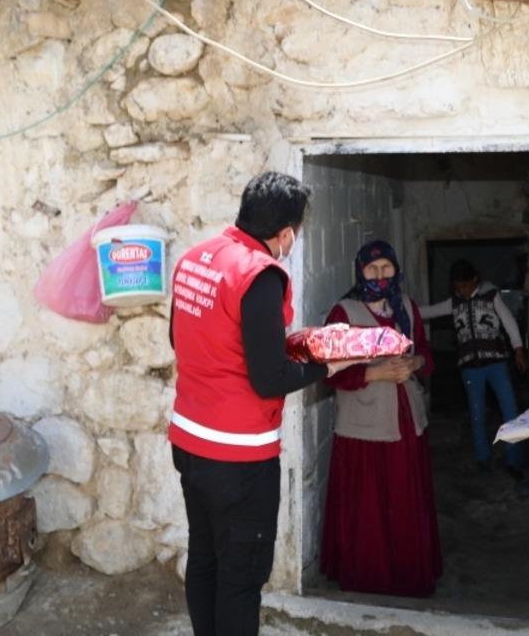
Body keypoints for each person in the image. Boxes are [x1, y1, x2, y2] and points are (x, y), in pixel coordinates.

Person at [168, 171, 356, 636]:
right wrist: (327, 367)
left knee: (206, 556)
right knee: (241, 576)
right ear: (286, 233)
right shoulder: (261, 275)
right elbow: (269, 378)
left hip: (189, 442)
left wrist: (299, 342)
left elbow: (185, 337)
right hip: (238, 458)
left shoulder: (197, 258)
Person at [319, 240, 443, 597]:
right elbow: (329, 371)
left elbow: (425, 352)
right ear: (360, 271)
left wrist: (415, 364)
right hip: (365, 428)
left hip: (406, 423)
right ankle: (369, 578)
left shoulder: (405, 307)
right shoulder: (344, 314)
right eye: (372, 269)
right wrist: (376, 374)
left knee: (404, 501)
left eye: (386, 268)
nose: (379, 276)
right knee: (370, 507)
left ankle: (407, 576)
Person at [418, 259, 529, 486]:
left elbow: (509, 323)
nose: (463, 291)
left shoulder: (491, 296)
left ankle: (514, 460)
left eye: (466, 286)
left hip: (497, 364)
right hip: (470, 369)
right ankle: (482, 459)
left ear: (475, 281)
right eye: (458, 288)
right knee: (477, 413)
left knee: (509, 410)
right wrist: (402, 309)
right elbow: (427, 312)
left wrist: (518, 348)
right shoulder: (454, 303)